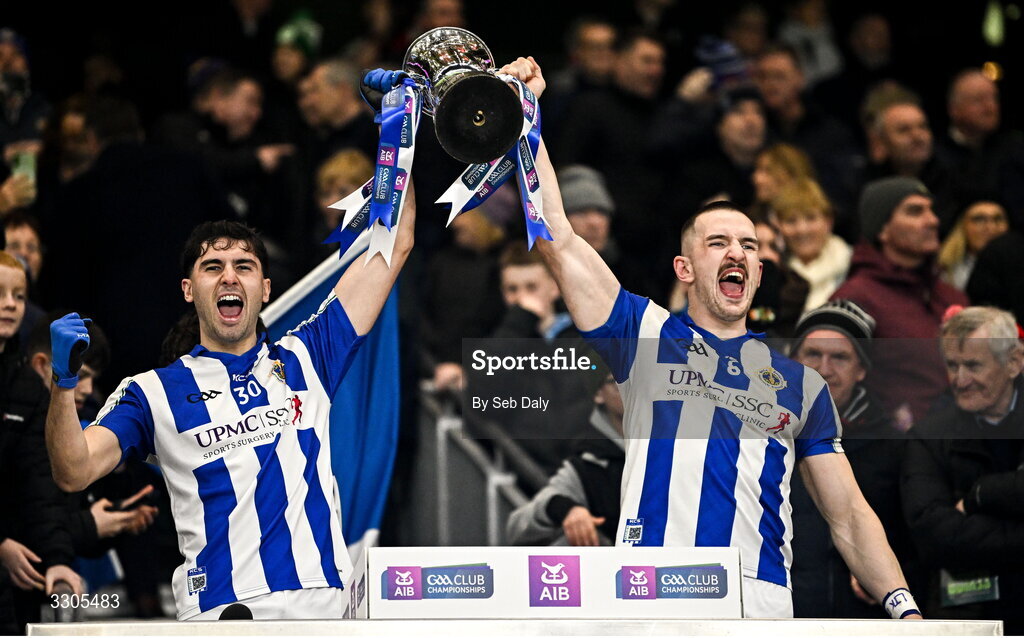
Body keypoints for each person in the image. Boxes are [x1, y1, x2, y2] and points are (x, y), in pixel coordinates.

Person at [499, 55, 920, 620]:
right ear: (685, 268)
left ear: (760, 271)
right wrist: (527, 116)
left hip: (760, 603)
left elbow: (848, 515)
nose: (736, 253)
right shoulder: (643, 334)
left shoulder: (803, 386)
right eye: (717, 242)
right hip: (650, 599)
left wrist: (905, 608)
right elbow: (559, 239)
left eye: (748, 245)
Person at [44, 174, 416, 620]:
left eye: (244, 266)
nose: (229, 277)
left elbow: (397, 241)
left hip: (323, 607)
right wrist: (62, 386)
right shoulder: (151, 392)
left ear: (265, 288)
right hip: (221, 613)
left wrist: (402, 121)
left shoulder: (308, 356)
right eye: (212, 267)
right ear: (188, 290)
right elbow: (74, 470)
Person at [788, 300, 917, 618]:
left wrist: (887, 580)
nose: (824, 369)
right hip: (780, 616)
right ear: (793, 360)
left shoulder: (895, 448)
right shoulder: (763, 439)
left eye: (840, 357)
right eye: (813, 354)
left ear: (862, 370)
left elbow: (918, 538)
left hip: (866, 619)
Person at [902, 306, 1024, 632]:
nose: (960, 380)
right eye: (952, 366)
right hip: (966, 620)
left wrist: (979, 498)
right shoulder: (929, 437)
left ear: (1013, 362)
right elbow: (935, 537)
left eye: (973, 365)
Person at [832, 177, 968, 428]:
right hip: (898, 449)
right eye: (915, 211)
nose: (933, 220)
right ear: (882, 229)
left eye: (931, 210)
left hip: (963, 439)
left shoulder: (950, 296)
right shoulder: (855, 299)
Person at [0, 253, 82, 633]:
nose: (10, 304)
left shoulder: (29, 386)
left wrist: (57, 559)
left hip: (16, 571)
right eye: (0, 294)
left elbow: (39, 482)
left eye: (18, 295)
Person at [506, 374, 625, 547]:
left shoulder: (674, 450)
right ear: (598, 393)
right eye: (618, 381)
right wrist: (564, 509)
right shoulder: (589, 464)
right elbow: (516, 527)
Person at [771, 177, 851, 312]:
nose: (802, 229)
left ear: (828, 221)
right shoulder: (773, 273)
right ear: (779, 226)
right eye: (791, 220)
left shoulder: (854, 267)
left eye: (811, 218)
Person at [938, 199, 1009, 291]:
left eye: (998, 219)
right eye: (979, 219)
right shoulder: (943, 271)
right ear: (962, 227)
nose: (991, 227)